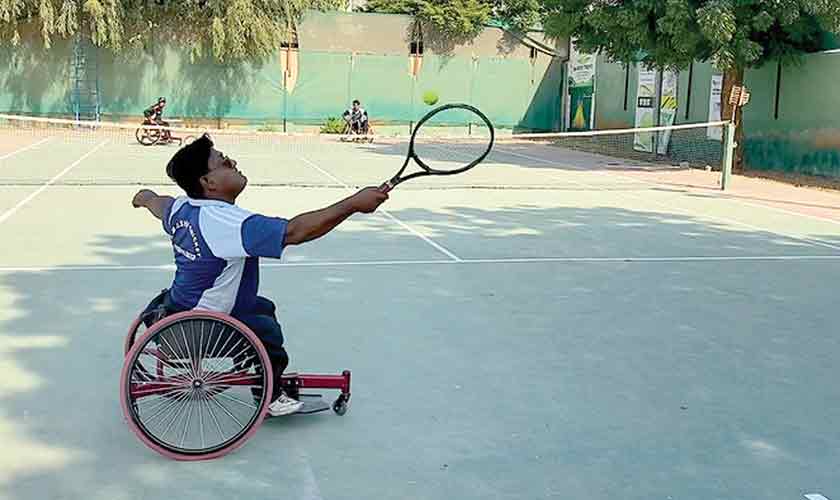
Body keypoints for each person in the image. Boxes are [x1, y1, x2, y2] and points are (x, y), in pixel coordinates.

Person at [131, 133, 389, 416]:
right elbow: (295, 231)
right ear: (208, 182)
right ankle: (270, 396)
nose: (232, 161)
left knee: (263, 307)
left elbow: (159, 203)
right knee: (267, 331)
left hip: (170, 315)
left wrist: (144, 198)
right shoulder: (226, 223)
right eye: (223, 161)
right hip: (197, 331)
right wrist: (352, 204)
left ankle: (254, 368)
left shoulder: (182, 207)